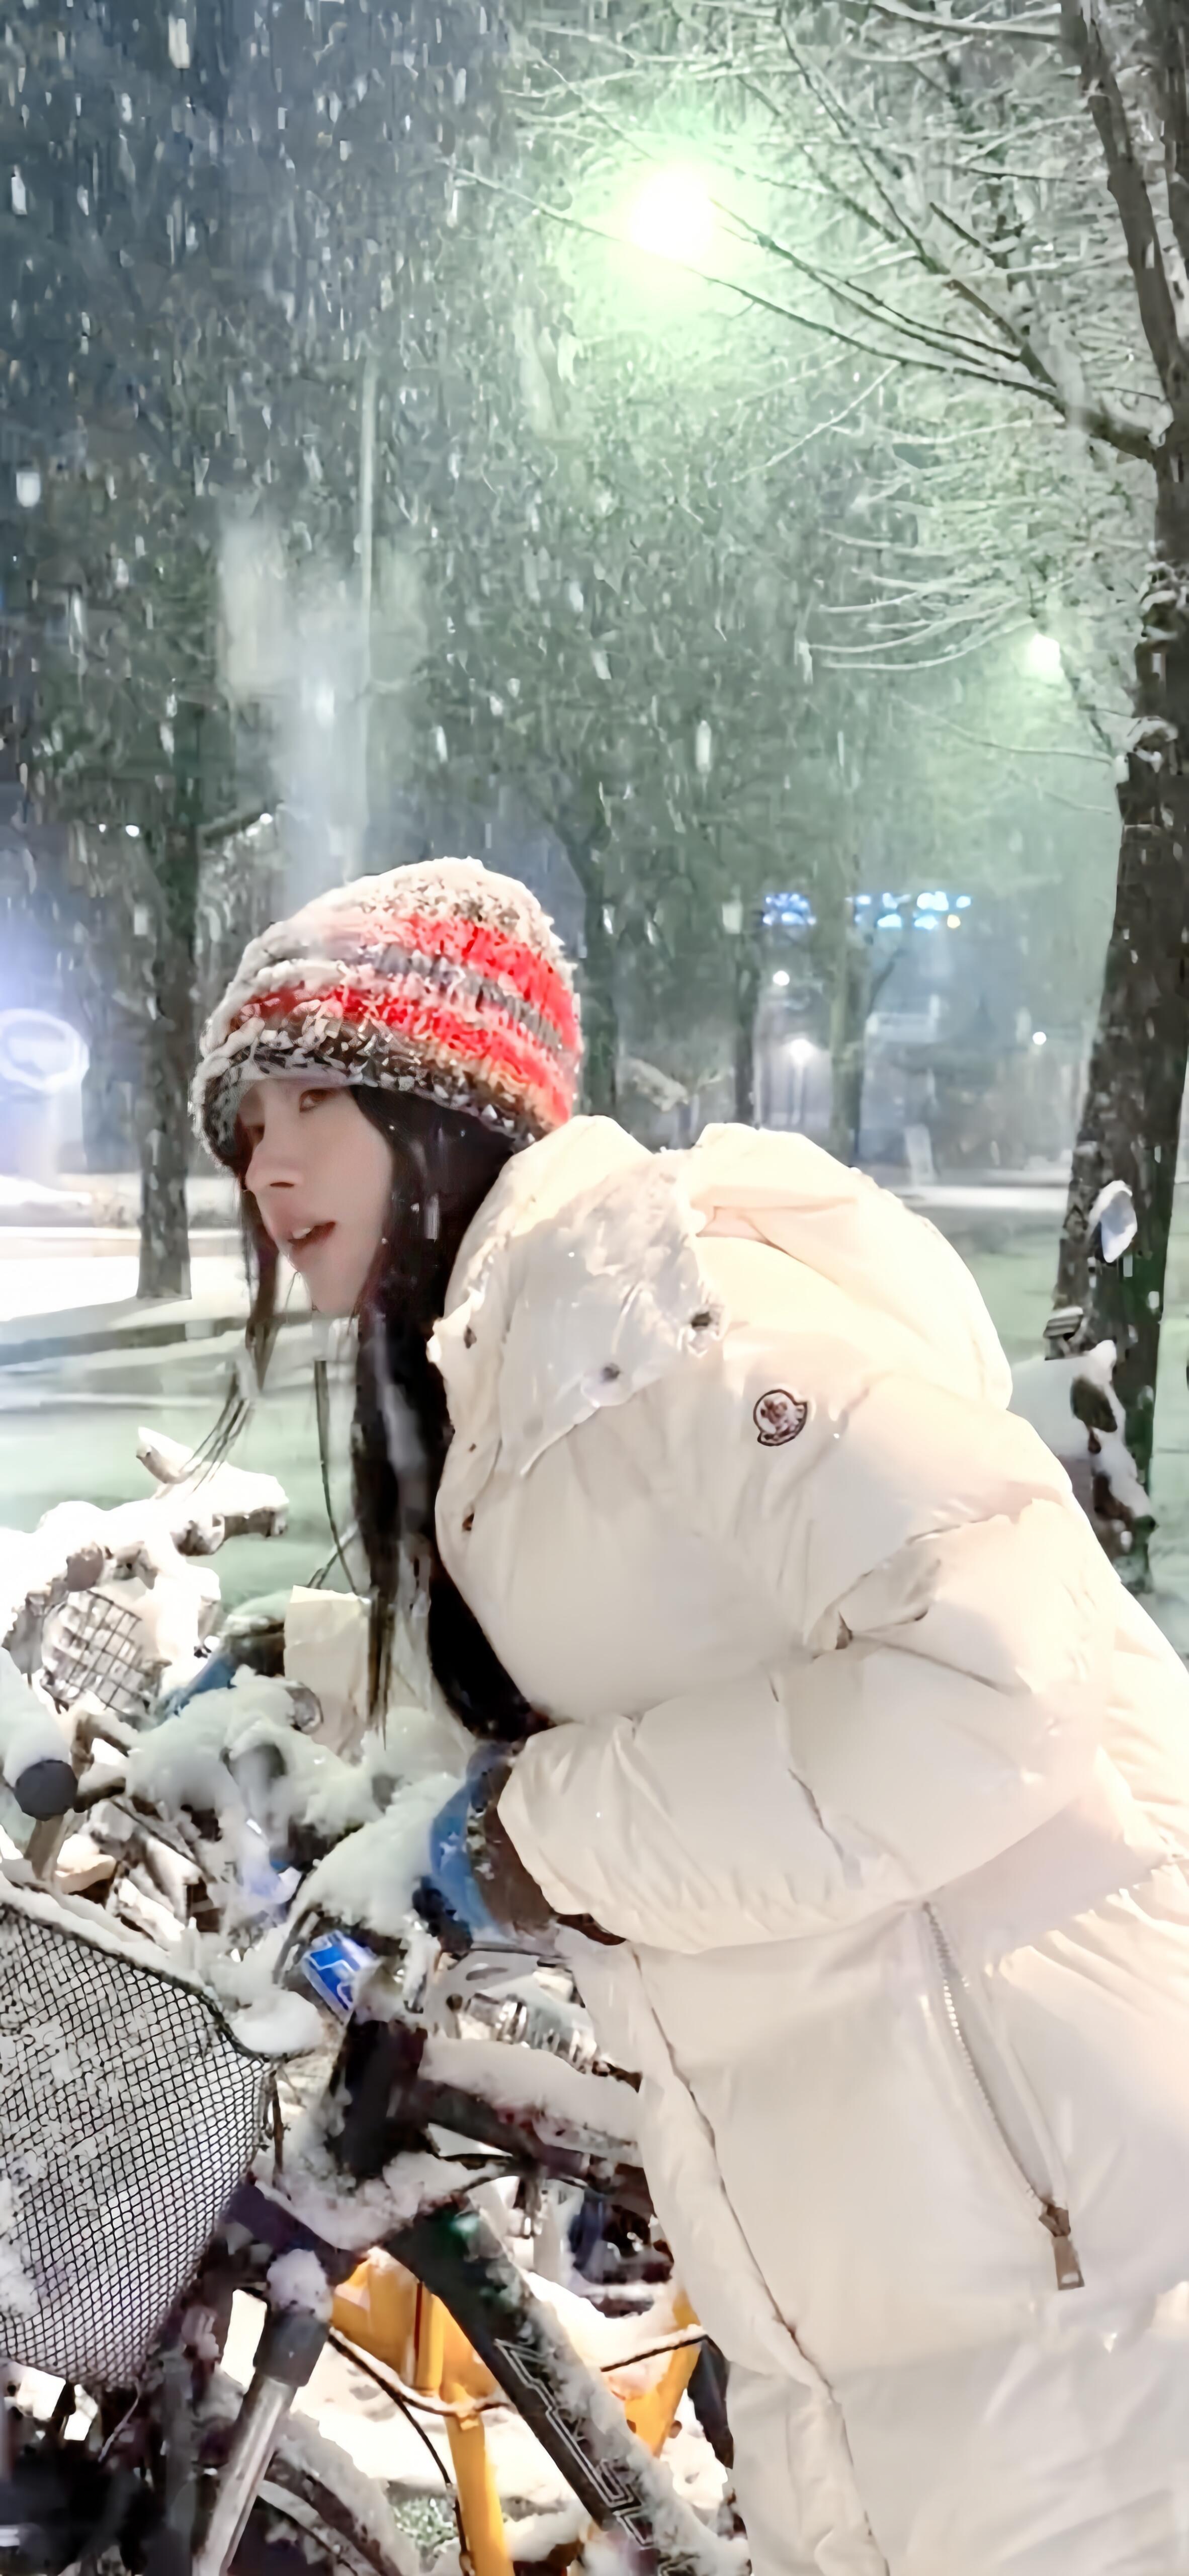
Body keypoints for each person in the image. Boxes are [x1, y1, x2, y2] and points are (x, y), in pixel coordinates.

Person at [194, 856, 1189, 2576]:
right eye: (242, 1125)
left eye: (311, 1100)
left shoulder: (672, 1317)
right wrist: (316, 1669)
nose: (267, 1164)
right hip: (884, 2237)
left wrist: (529, 1841)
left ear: (443, 1105)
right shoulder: (514, 1374)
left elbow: (991, 1666)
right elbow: (646, 1650)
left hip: (1073, 2227)